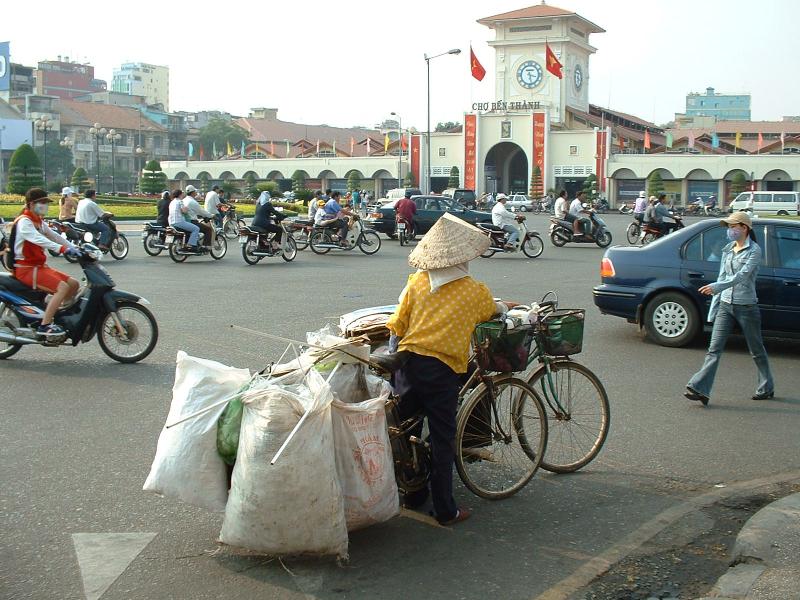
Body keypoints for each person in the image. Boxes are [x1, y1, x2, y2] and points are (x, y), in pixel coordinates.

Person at [387, 213, 509, 525]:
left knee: (405, 431)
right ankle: (445, 509)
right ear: (463, 259)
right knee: (443, 439)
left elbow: (398, 323)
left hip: (406, 365)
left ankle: (412, 492)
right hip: (441, 371)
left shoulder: (418, 281)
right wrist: (504, 308)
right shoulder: (474, 290)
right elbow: (492, 311)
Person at [685, 212, 774, 405]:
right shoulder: (728, 249)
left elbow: (741, 276)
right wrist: (716, 302)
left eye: (733, 226)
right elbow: (723, 274)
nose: (730, 230)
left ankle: (766, 386)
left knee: (756, 349)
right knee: (714, 349)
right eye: (728, 227)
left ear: (744, 228)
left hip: (746, 306)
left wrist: (717, 287)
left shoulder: (754, 251)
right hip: (726, 305)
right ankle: (700, 388)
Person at [8, 188, 80, 338]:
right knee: (62, 288)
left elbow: (54, 236)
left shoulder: (38, 221)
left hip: (39, 267)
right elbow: (38, 239)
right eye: (42, 202)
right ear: (32, 203)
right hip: (26, 269)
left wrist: (75, 247)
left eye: (46, 202)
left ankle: (57, 314)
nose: (45, 205)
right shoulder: (24, 222)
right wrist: (62, 249)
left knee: (74, 284)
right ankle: (45, 325)